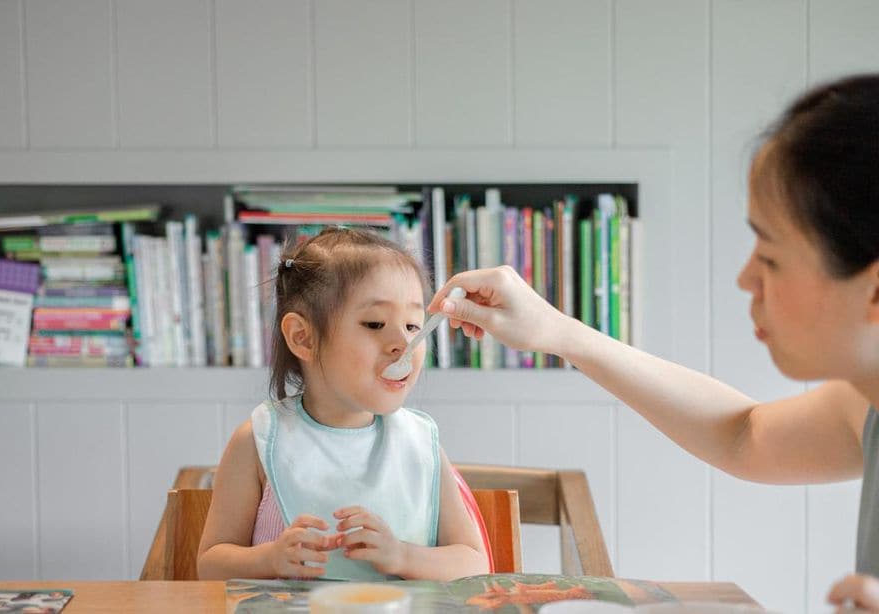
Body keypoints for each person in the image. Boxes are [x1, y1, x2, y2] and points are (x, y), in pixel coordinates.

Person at [428, 73, 879, 610]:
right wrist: (557, 332)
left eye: (772, 257)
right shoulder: (864, 404)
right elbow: (743, 434)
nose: (745, 279)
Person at [197, 227, 487, 581]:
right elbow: (210, 565)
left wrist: (402, 557)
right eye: (375, 323)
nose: (403, 343)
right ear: (303, 338)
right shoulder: (257, 442)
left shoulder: (421, 443)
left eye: (413, 325)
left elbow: (474, 563)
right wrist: (269, 560)